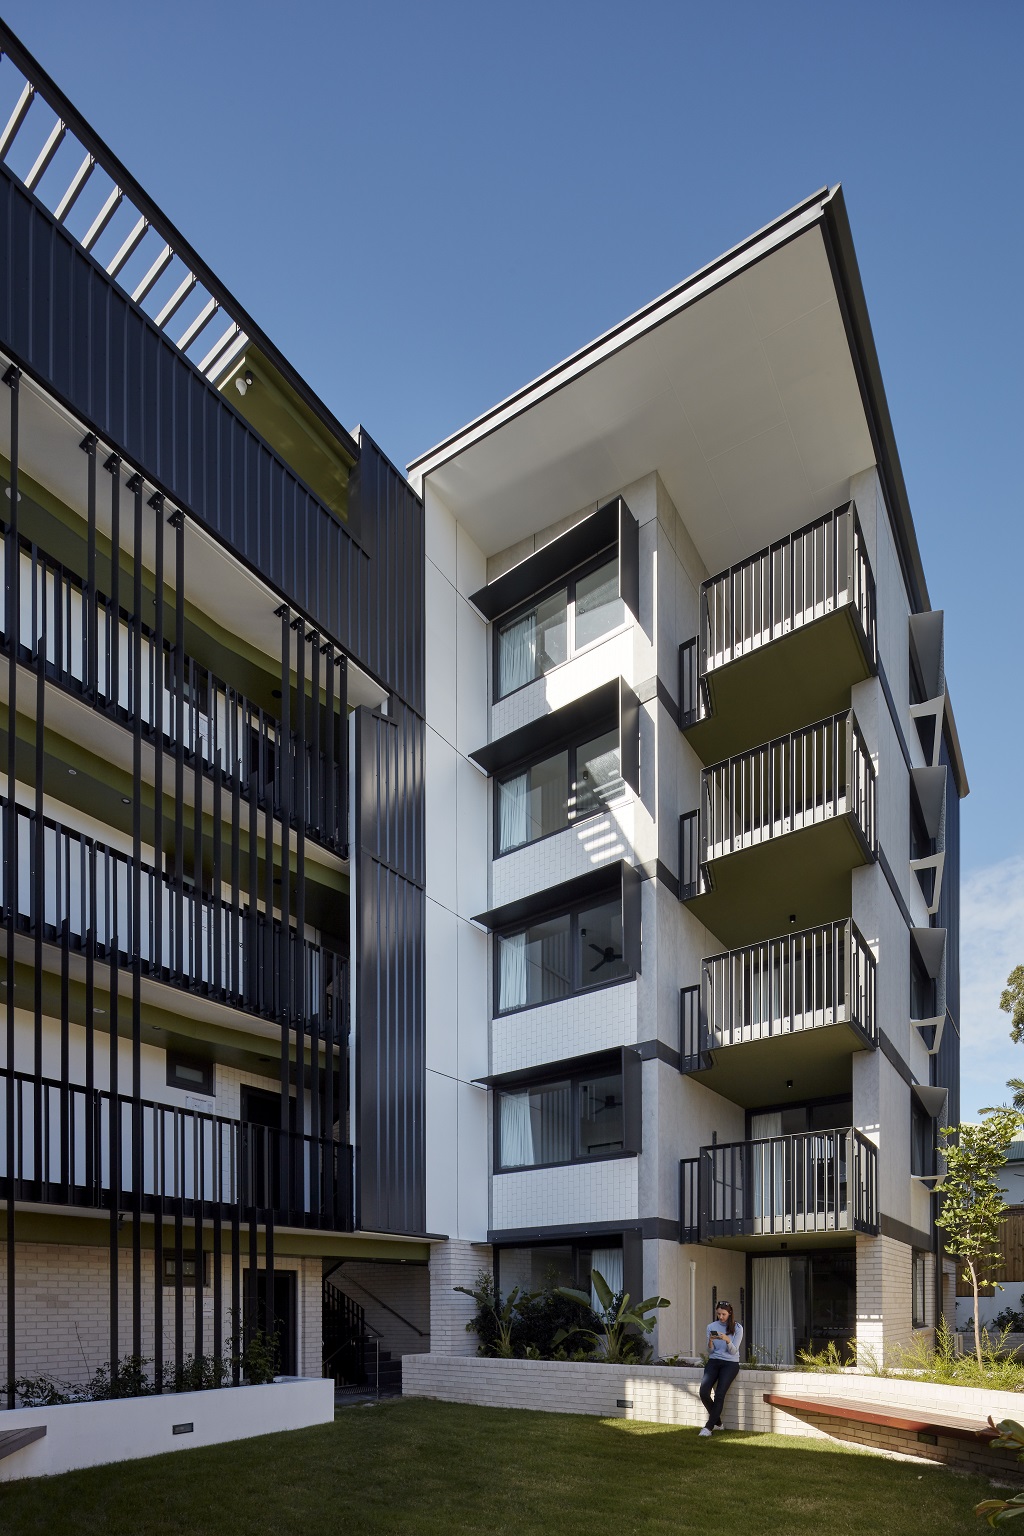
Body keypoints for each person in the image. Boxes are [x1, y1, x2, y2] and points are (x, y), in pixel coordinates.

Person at [698, 1301, 743, 1436]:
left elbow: (734, 1351)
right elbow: (710, 1351)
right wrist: (710, 1341)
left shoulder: (738, 1328)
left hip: (730, 1363)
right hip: (714, 1361)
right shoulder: (711, 1326)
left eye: (723, 1314)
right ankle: (718, 1423)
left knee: (719, 1394)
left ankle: (708, 1428)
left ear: (729, 1313)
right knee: (703, 1392)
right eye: (718, 1314)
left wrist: (727, 1340)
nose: (721, 1317)